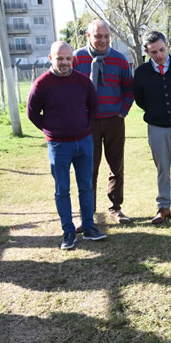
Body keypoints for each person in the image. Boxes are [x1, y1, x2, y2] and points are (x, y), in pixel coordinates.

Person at [27, 41, 107, 250]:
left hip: (84, 143)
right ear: (51, 58)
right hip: (58, 146)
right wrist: (51, 130)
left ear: (73, 59)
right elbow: (32, 113)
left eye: (68, 58)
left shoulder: (83, 82)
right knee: (62, 189)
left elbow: (93, 106)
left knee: (86, 186)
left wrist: (83, 128)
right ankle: (68, 232)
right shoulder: (41, 84)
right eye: (59, 58)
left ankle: (89, 227)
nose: (64, 62)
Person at [72, 19, 135, 226]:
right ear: (88, 36)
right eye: (98, 36)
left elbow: (129, 88)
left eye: (107, 36)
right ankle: (87, 213)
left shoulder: (120, 59)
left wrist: (122, 112)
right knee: (88, 168)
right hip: (87, 124)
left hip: (114, 121)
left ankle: (115, 208)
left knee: (116, 166)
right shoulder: (77, 58)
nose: (103, 40)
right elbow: (67, 89)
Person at [132, 31, 171, 224]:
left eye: (162, 49)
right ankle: (164, 207)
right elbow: (140, 99)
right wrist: (156, 113)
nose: (159, 55)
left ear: (167, 45)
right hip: (157, 128)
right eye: (153, 52)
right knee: (163, 168)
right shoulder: (141, 72)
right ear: (146, 51)